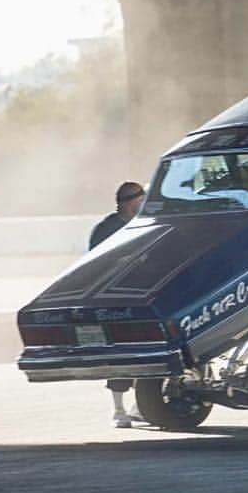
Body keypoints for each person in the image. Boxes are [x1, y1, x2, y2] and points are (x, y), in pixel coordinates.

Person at [90, 181, 146, 428]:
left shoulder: (143, 224)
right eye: (138, 199)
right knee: (120, 354)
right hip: (114, 298)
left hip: (139, 295)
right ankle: (119, 408)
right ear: (130, 201)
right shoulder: (107, 228)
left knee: (142, 351)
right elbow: (95, 262)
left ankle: (140, 406)